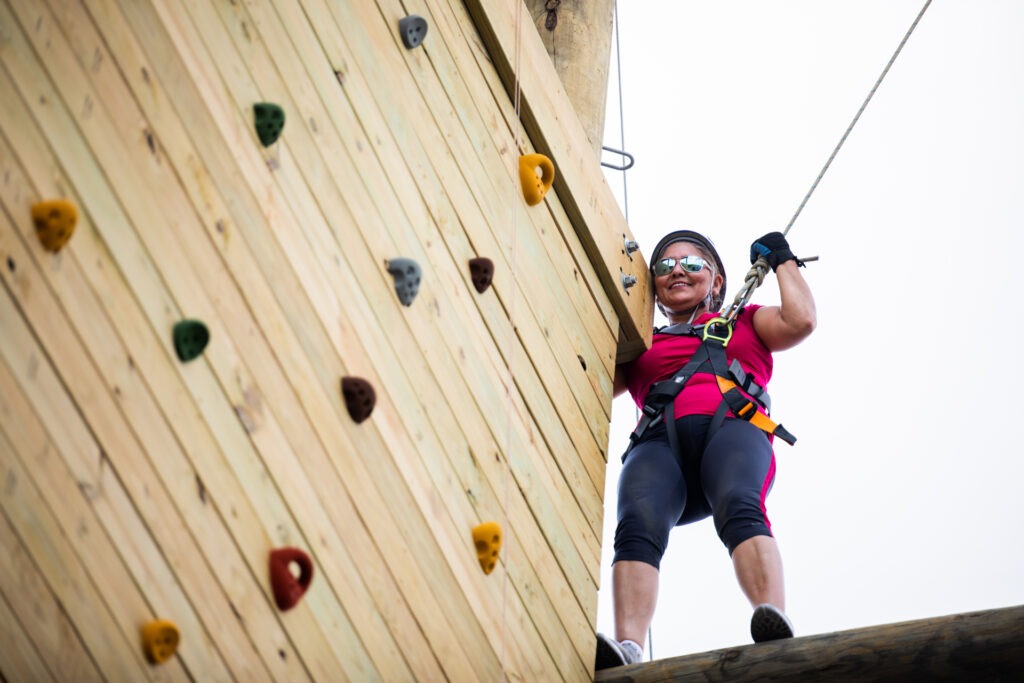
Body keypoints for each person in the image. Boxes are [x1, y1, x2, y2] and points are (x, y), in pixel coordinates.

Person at [595, 229, 816, 670]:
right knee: (637, 524)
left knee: (739, 504)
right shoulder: (642, 348)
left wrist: (783, 262)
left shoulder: (746, 322)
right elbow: (587, 374)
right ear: (655, 288)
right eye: (664, 266)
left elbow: (800, 320)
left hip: (732, 429)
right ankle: (630, 647)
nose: (677, 270)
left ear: (716, 282)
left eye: (691, 264)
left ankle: (771, 617)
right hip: (661, 445)